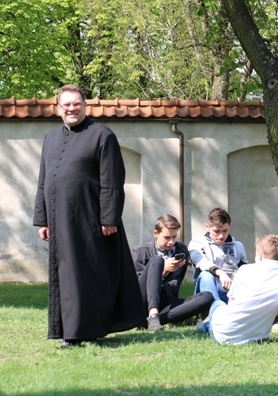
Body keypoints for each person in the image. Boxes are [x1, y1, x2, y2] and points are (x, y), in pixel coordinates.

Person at [33, 84, 143, 346]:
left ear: (85, 105)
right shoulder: (50, 138)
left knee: (90, 275)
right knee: (65, 275)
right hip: (60, 221)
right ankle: (67, 331)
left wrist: (109, 218)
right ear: (58, 108)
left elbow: (112, 181)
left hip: (90, 220)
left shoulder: (102, 135)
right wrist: (42, 219)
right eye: (66, 104)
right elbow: (43, 181)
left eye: (76, 104)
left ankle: (88, 330)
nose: (71, 108)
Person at [197, 234, 278, 353]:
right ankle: (207, 323)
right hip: (256, 336)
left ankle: (205, 325)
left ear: (260, 255)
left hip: (223, 333)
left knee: (217, 303)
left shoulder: (244, 270)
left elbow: (231, 303)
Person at [132, 214, 214, 331]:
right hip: (141, 302)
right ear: (156, 234)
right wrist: (163, 270)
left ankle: (151, 320)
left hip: (165, 301)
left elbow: (173, 287)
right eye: (167, 237)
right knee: (157, 260)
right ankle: (152, 315)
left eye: (174, 237)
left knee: (207, 297)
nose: (171, 242)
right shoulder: (140, 252)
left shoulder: (181, 250)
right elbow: (135, 287)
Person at [189, 207, 247, 315]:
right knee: (206, 275)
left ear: (230, 227)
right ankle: (215, 313)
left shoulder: (238, 246)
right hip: (206, 297)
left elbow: (245, 267)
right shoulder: (197, 243)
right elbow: (200, 262)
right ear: (207, 227)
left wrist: (242, 273)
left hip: (232, 294)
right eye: (216, 231)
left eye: (225, 231)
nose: (221, 236)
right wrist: (220, 273)